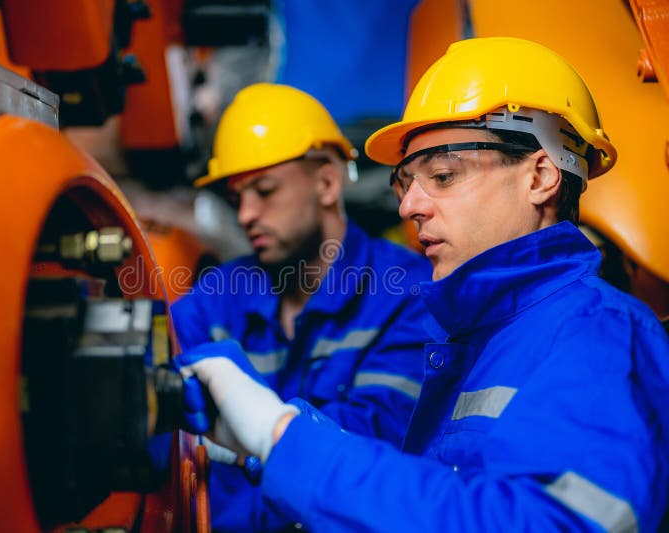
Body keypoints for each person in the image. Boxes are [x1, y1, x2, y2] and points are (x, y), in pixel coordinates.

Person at [175, 37, 669, 532]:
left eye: (444, 175)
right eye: (406, 182)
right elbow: (435, 496)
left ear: (540, 177)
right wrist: (275, 433)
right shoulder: (483, 336)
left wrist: (282, 436)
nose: (408, 206)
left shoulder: (600, 335)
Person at [170, 83, 433, 531]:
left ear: (327, 183)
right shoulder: (217, 297)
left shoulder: (407, 294)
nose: (246, 214)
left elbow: (377, 438)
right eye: (236, 199)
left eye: (264, 190)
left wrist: (260, 431)